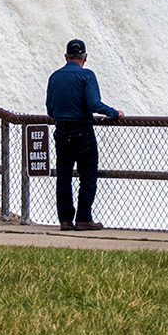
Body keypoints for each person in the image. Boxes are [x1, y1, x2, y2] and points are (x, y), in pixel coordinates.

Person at [45, 38, 123, 231]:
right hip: (82, 132)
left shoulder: (54, 77)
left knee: (63, 177)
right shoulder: (87, 76)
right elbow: (94, 104)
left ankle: (64, 220)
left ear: (66, 56)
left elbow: (49, 109)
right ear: (85, 57)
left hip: (61, 132)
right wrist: (115, 113)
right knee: (87, 176)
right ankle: (83, 218)